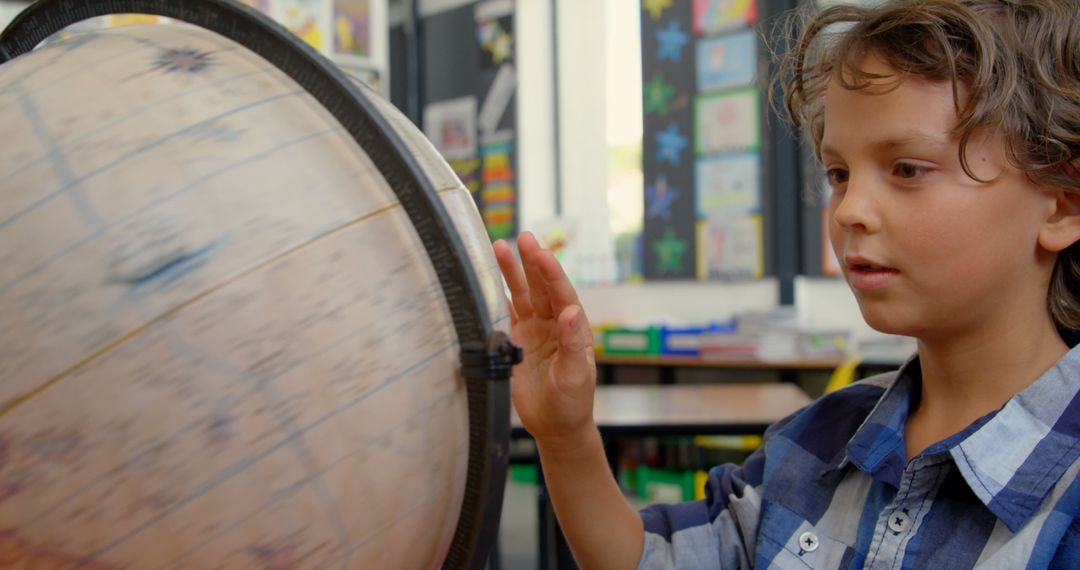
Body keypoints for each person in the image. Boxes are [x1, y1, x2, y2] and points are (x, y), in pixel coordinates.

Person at [491, 0, 1080, 567]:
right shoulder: (811, 442)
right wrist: (566, 435)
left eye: (906, 169)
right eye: (839, 173)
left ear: (1061, 206)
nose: (850, 209)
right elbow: (650, 559)